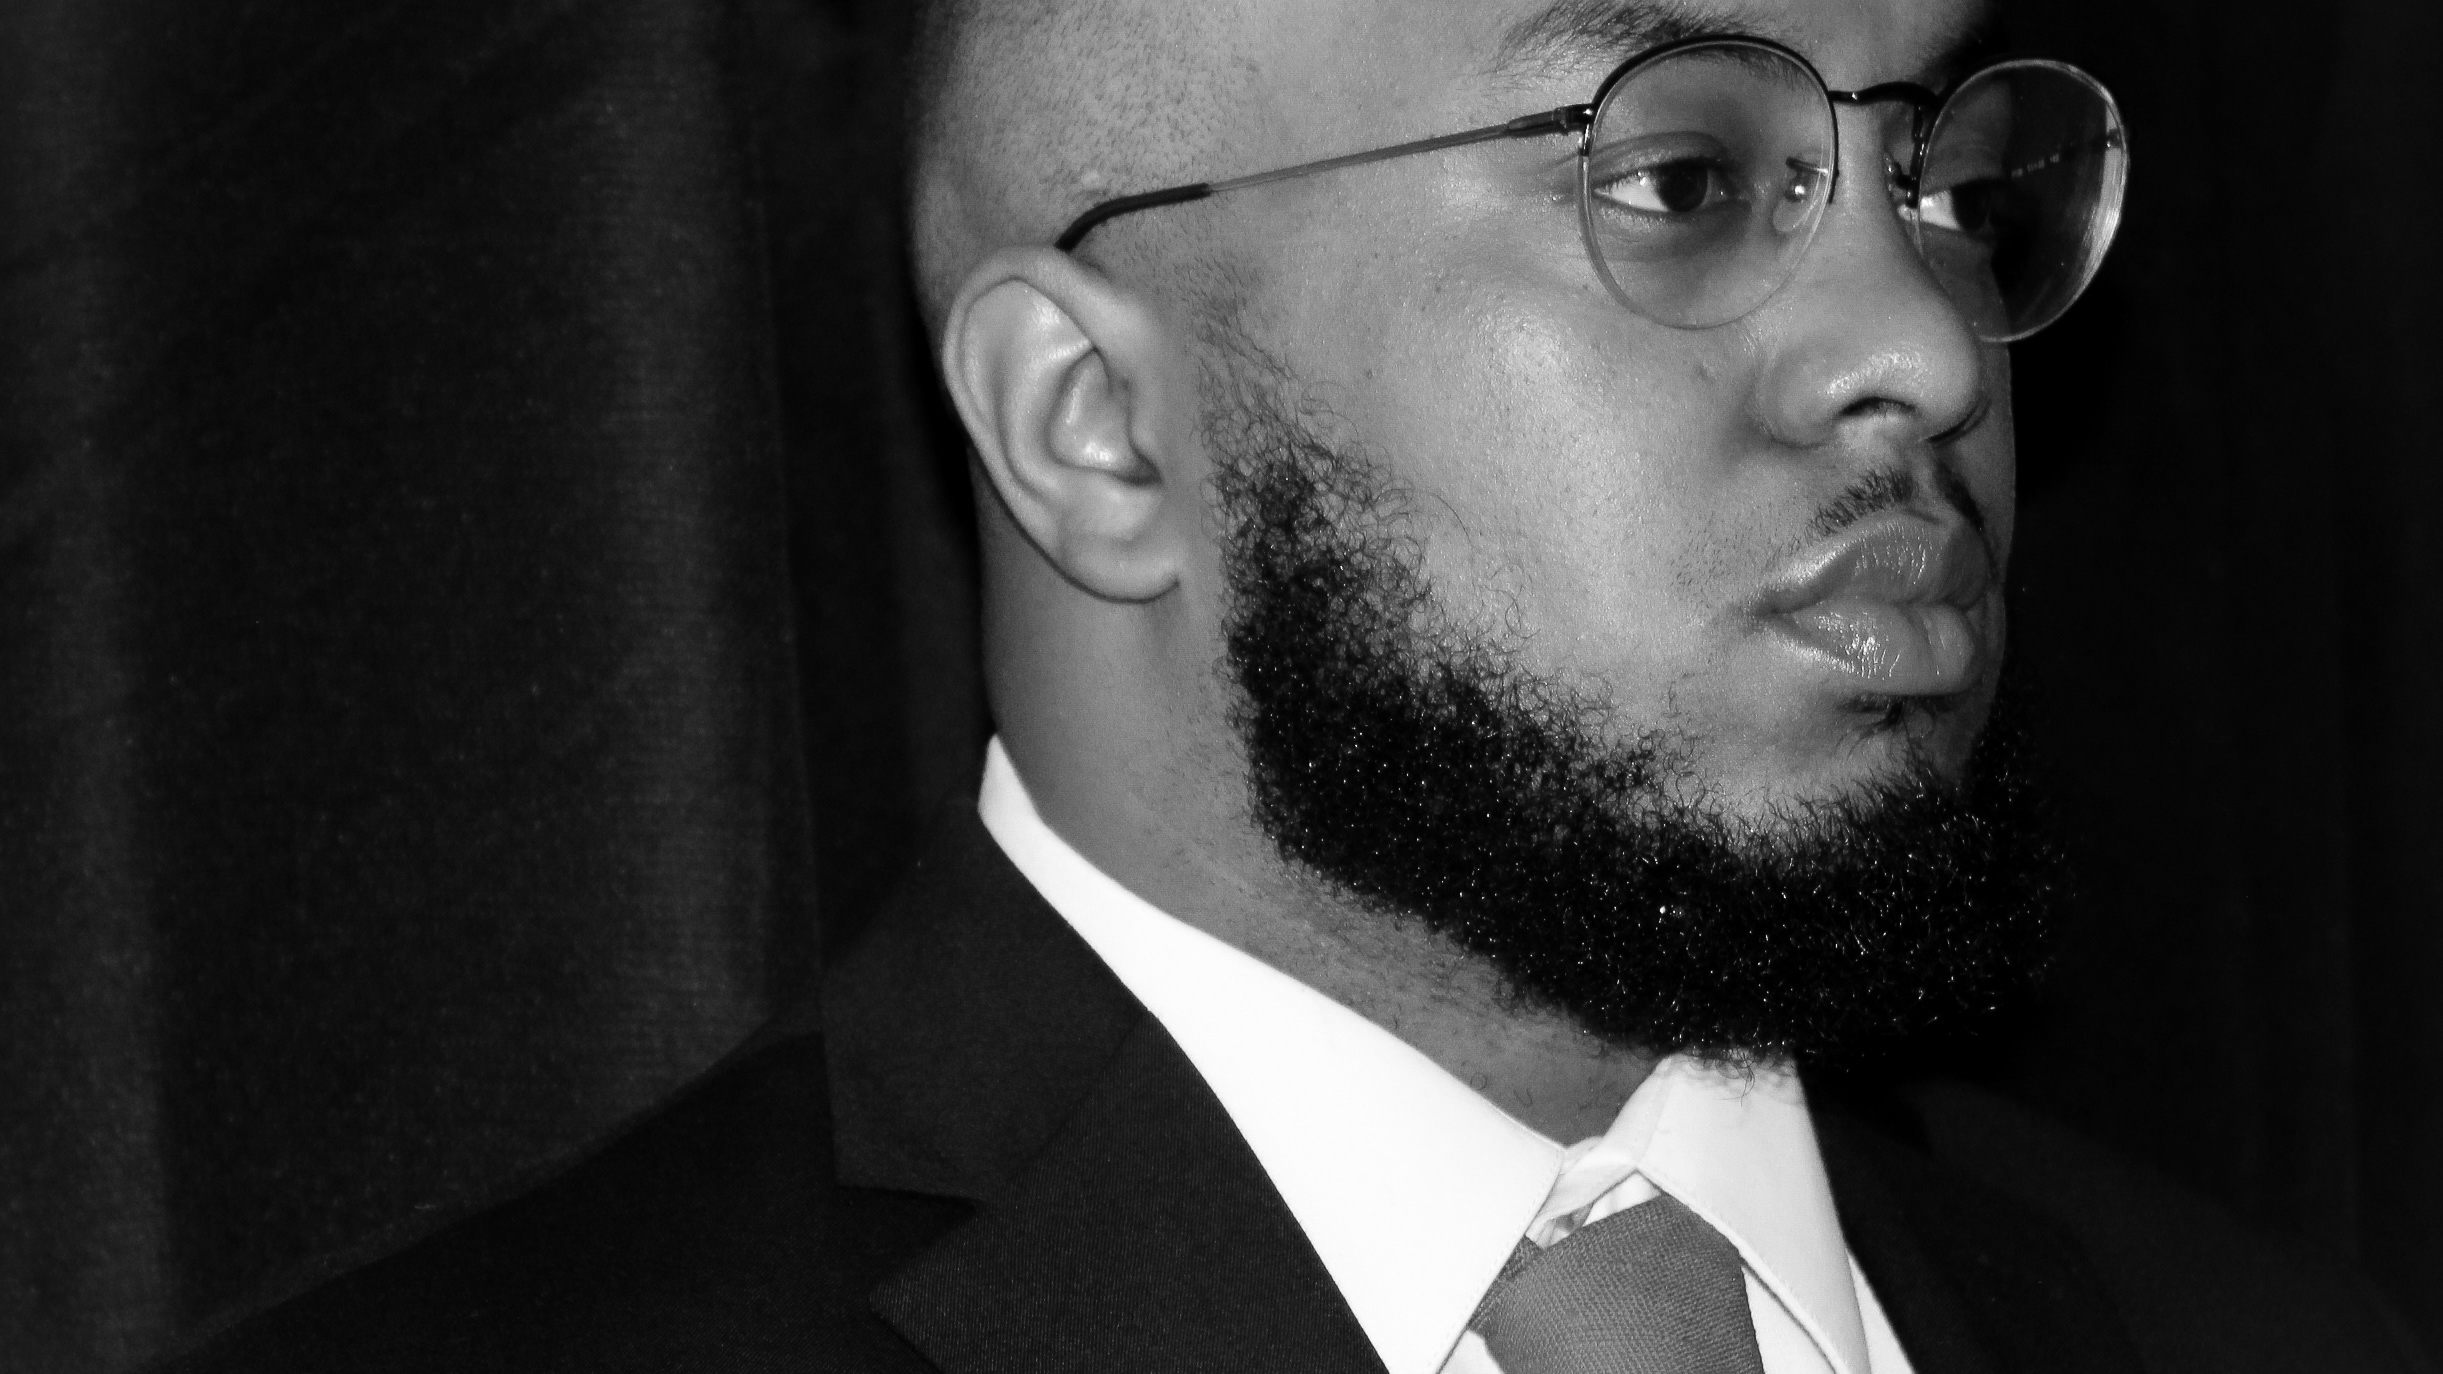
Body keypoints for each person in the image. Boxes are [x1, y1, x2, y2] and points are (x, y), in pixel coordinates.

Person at [157, 0, 2428, 1370]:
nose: (1921, 342)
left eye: (1931, 174)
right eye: (1675, 174)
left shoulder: (2263, 1338)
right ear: (1095, 428)